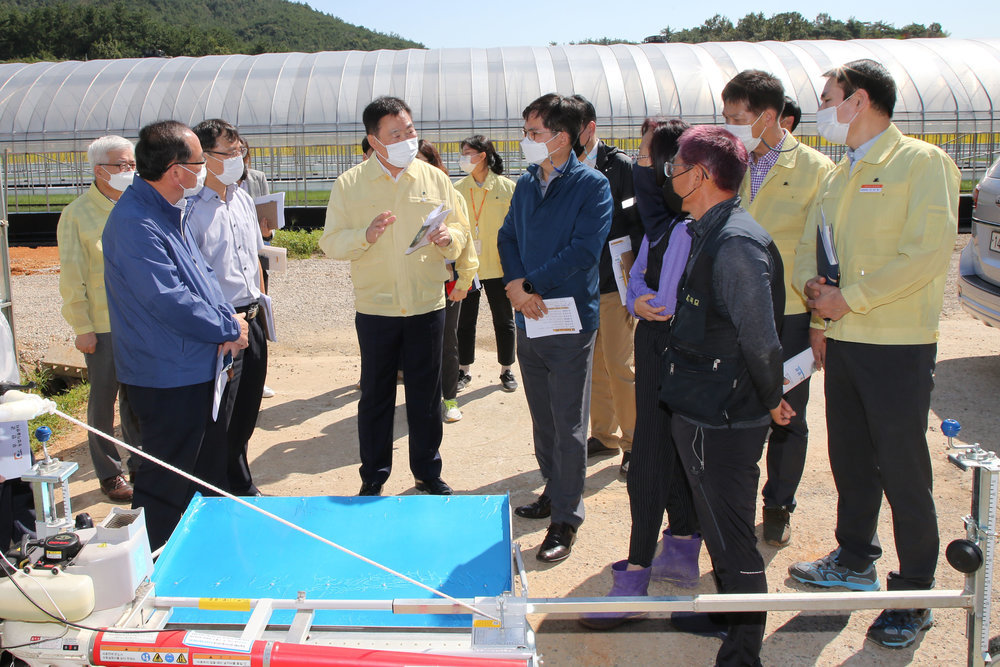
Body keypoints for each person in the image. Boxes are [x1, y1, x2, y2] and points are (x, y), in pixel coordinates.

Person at [789, 58, 960, 649]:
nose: (824, 108)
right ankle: (855, 558)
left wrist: (850, 298)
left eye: (829, 97)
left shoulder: (920, 163)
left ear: (859, 100)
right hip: (846, 340)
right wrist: (816, 294)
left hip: (897, 344)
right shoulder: (839, 176)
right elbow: (817, 249)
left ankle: (915, 592)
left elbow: (926, 253)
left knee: (903, 471)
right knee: (852, 461)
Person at [661, 125, 792, 665]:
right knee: (713, 517)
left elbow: (760, 338)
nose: (669, 177)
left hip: (725, 413)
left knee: (732, 530)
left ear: (700, 176)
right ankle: (727, 608)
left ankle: (744, 647)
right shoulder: (707, 229)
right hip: (703, 401)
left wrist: (769, 397)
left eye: (676, 169)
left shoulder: (735, 243)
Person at [103, 120, 248, 551]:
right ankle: (154, 569)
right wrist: (226, 326)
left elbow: (201, 278)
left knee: (202, 470)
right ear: (174, 169)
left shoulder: (170, 210)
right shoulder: (135, 222)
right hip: (167, 373)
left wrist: (229, 319)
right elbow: (168, 299)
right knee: (167, 479)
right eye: (200, 162)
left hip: (193, 364)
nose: (204, 170)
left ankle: (201, 557)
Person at [580, 118, 702, 630]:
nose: (641, 167)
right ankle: (671, 557)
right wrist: (639, 297)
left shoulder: (702, 229)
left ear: (678, 168)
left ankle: (646, 572)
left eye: (650, 160)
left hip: (683, 363)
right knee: (661, 460)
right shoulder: (662, 226)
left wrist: (657, 301)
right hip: (655, 349)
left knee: (666, 464)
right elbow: (638, 278)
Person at [320, 96, 469, 497]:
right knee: (376, 396)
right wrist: (364, 236)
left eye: (411, 131)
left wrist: (447, 238)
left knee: (425, 394)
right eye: (397, 134)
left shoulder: (434, 178)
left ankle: (427, 472)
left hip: (425, 305)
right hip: (377, 308)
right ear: (374, 140)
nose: (408, 139)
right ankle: (373, 476)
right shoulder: (350, 184)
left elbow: (460, 233)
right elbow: (329, 242)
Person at [721, 70, 834, 547]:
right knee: (732, 405)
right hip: (731, 312)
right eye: (725, 118)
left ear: (768, 116)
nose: (730, 125)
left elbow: (824, 254)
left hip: (788, 314)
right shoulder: (730, 164)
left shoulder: (817, 170)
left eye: (738, 117)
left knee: (789, 412)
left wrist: (817, 322)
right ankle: (731, 502)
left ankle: (779, 503)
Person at [497, 93, 612, 563]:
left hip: (567, 318)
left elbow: (585, 250)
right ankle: (553, 488)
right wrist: (515, 287)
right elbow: (508, 236)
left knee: (569, 423)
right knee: (543, 415)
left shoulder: (592, 185)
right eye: (526, 132)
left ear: (562, 138)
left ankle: (566, 517)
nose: (527, 141)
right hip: (530, 314)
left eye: (535, 133)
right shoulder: (526, 183)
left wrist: (530, 284)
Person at [56, 135, 141, 503]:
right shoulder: (77, 214)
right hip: (104, 326)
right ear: (99, 171)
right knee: (104, 399)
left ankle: (142, 462)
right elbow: (72, 278)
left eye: (132, 165)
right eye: (121, 165)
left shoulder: (139, 205)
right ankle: (109, 472)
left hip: (140, 323)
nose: (128, 171)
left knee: (137, 398)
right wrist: (82, 328)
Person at [188, 119, 268, 496]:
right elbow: (193, 278)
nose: (239, 159)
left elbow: (253, 260)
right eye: (230, 153)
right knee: (221, 414)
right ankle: (217, 491)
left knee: (247, 411)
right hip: (221, 326)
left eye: (241, 152)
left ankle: (240, 482)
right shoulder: (191, 210)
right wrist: (222, 328)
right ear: (204, 157)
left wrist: (263, 313)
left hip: (252, 318)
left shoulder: (242, 199)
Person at [570, 95, 643, 476]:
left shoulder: (621, 168)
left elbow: (635, 223)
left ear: (590, 129)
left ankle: (633, 442)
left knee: (619, 362)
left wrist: (635, 277)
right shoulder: (558, 167)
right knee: (594, 364)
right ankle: (604, 434)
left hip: (614, 281)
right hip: (579, 286)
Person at [415, 139, 478, 423]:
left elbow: (465, 242)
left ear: (435, 164)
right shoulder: (401, 198)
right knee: (416, 344)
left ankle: (450, 399)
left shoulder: (453, 196)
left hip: (447, 282)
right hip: (414, 282)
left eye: (423, 162)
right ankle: (422, 400)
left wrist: (464, 280)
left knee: (447, 341)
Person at [455, 135, 518, 394]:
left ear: (482, 156)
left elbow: (516, 229)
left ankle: (506, 369)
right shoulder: (458, 189)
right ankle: (463, 370)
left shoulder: (506, 188)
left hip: (499, 267)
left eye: (467, 153)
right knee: (464, 322)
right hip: (468, 267)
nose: (462, 158)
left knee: (503, 320)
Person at [238, 136, 276, 400]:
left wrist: (267, 232)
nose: (238, 156)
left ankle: (256, 377)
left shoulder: (256, 178)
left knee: (258, 317)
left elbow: (265, 214)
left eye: (241, 151)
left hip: (256, 254)